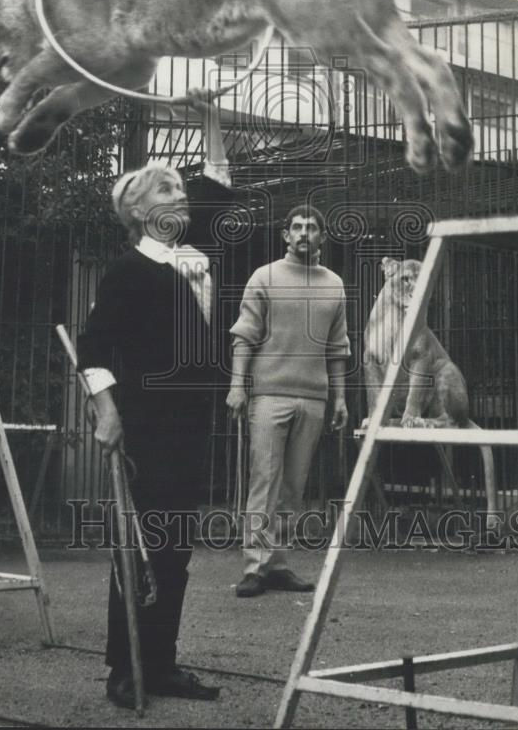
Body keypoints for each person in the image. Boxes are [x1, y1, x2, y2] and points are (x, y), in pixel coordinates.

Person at [77, 88, 232, 710]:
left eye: (179, 191)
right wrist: (108, 412)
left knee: (176, 549)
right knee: (142, 547)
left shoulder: (195, 256)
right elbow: (91, 350)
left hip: (192, 423)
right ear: (139, 212)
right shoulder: (128, 272)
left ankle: (161, 663)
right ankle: (125, 668)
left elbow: (219, 180)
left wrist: (209, 116)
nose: (181, 196)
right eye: (167, 190)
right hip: (147, 425)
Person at [226, 204, 350, 598]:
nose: (302, 234)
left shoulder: (334, 284)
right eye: (295, 227)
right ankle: (254, 567)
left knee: (293, 488)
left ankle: (277, 564)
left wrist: (341, 398)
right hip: (268, 395)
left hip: (313, 398)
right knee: (264, 480)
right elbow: (244, 334)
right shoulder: (264, 276)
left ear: (321, 237)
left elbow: (338, 347)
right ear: (285, 235)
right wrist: (237, 386)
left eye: (311, 228)